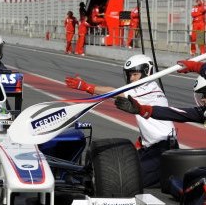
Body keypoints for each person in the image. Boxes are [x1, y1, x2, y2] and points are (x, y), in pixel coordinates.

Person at [65, 54, 178, 188]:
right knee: (120, 169)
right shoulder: (146, 88)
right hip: (152, 147)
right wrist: (142, 141)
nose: (131, 78)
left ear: (147, 71)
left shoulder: (148, 89)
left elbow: (115, 92)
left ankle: (169, 176)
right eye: (129, 75)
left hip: (163, 150)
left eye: (135, 74)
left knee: (127, 180)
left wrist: (87, 87)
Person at [115, 60, 206, 123]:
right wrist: (142, 110)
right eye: (202, 95)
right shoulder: (202, 113)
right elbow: (174, 113)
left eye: (205, 94)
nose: (202, 100)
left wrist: (197, 67)